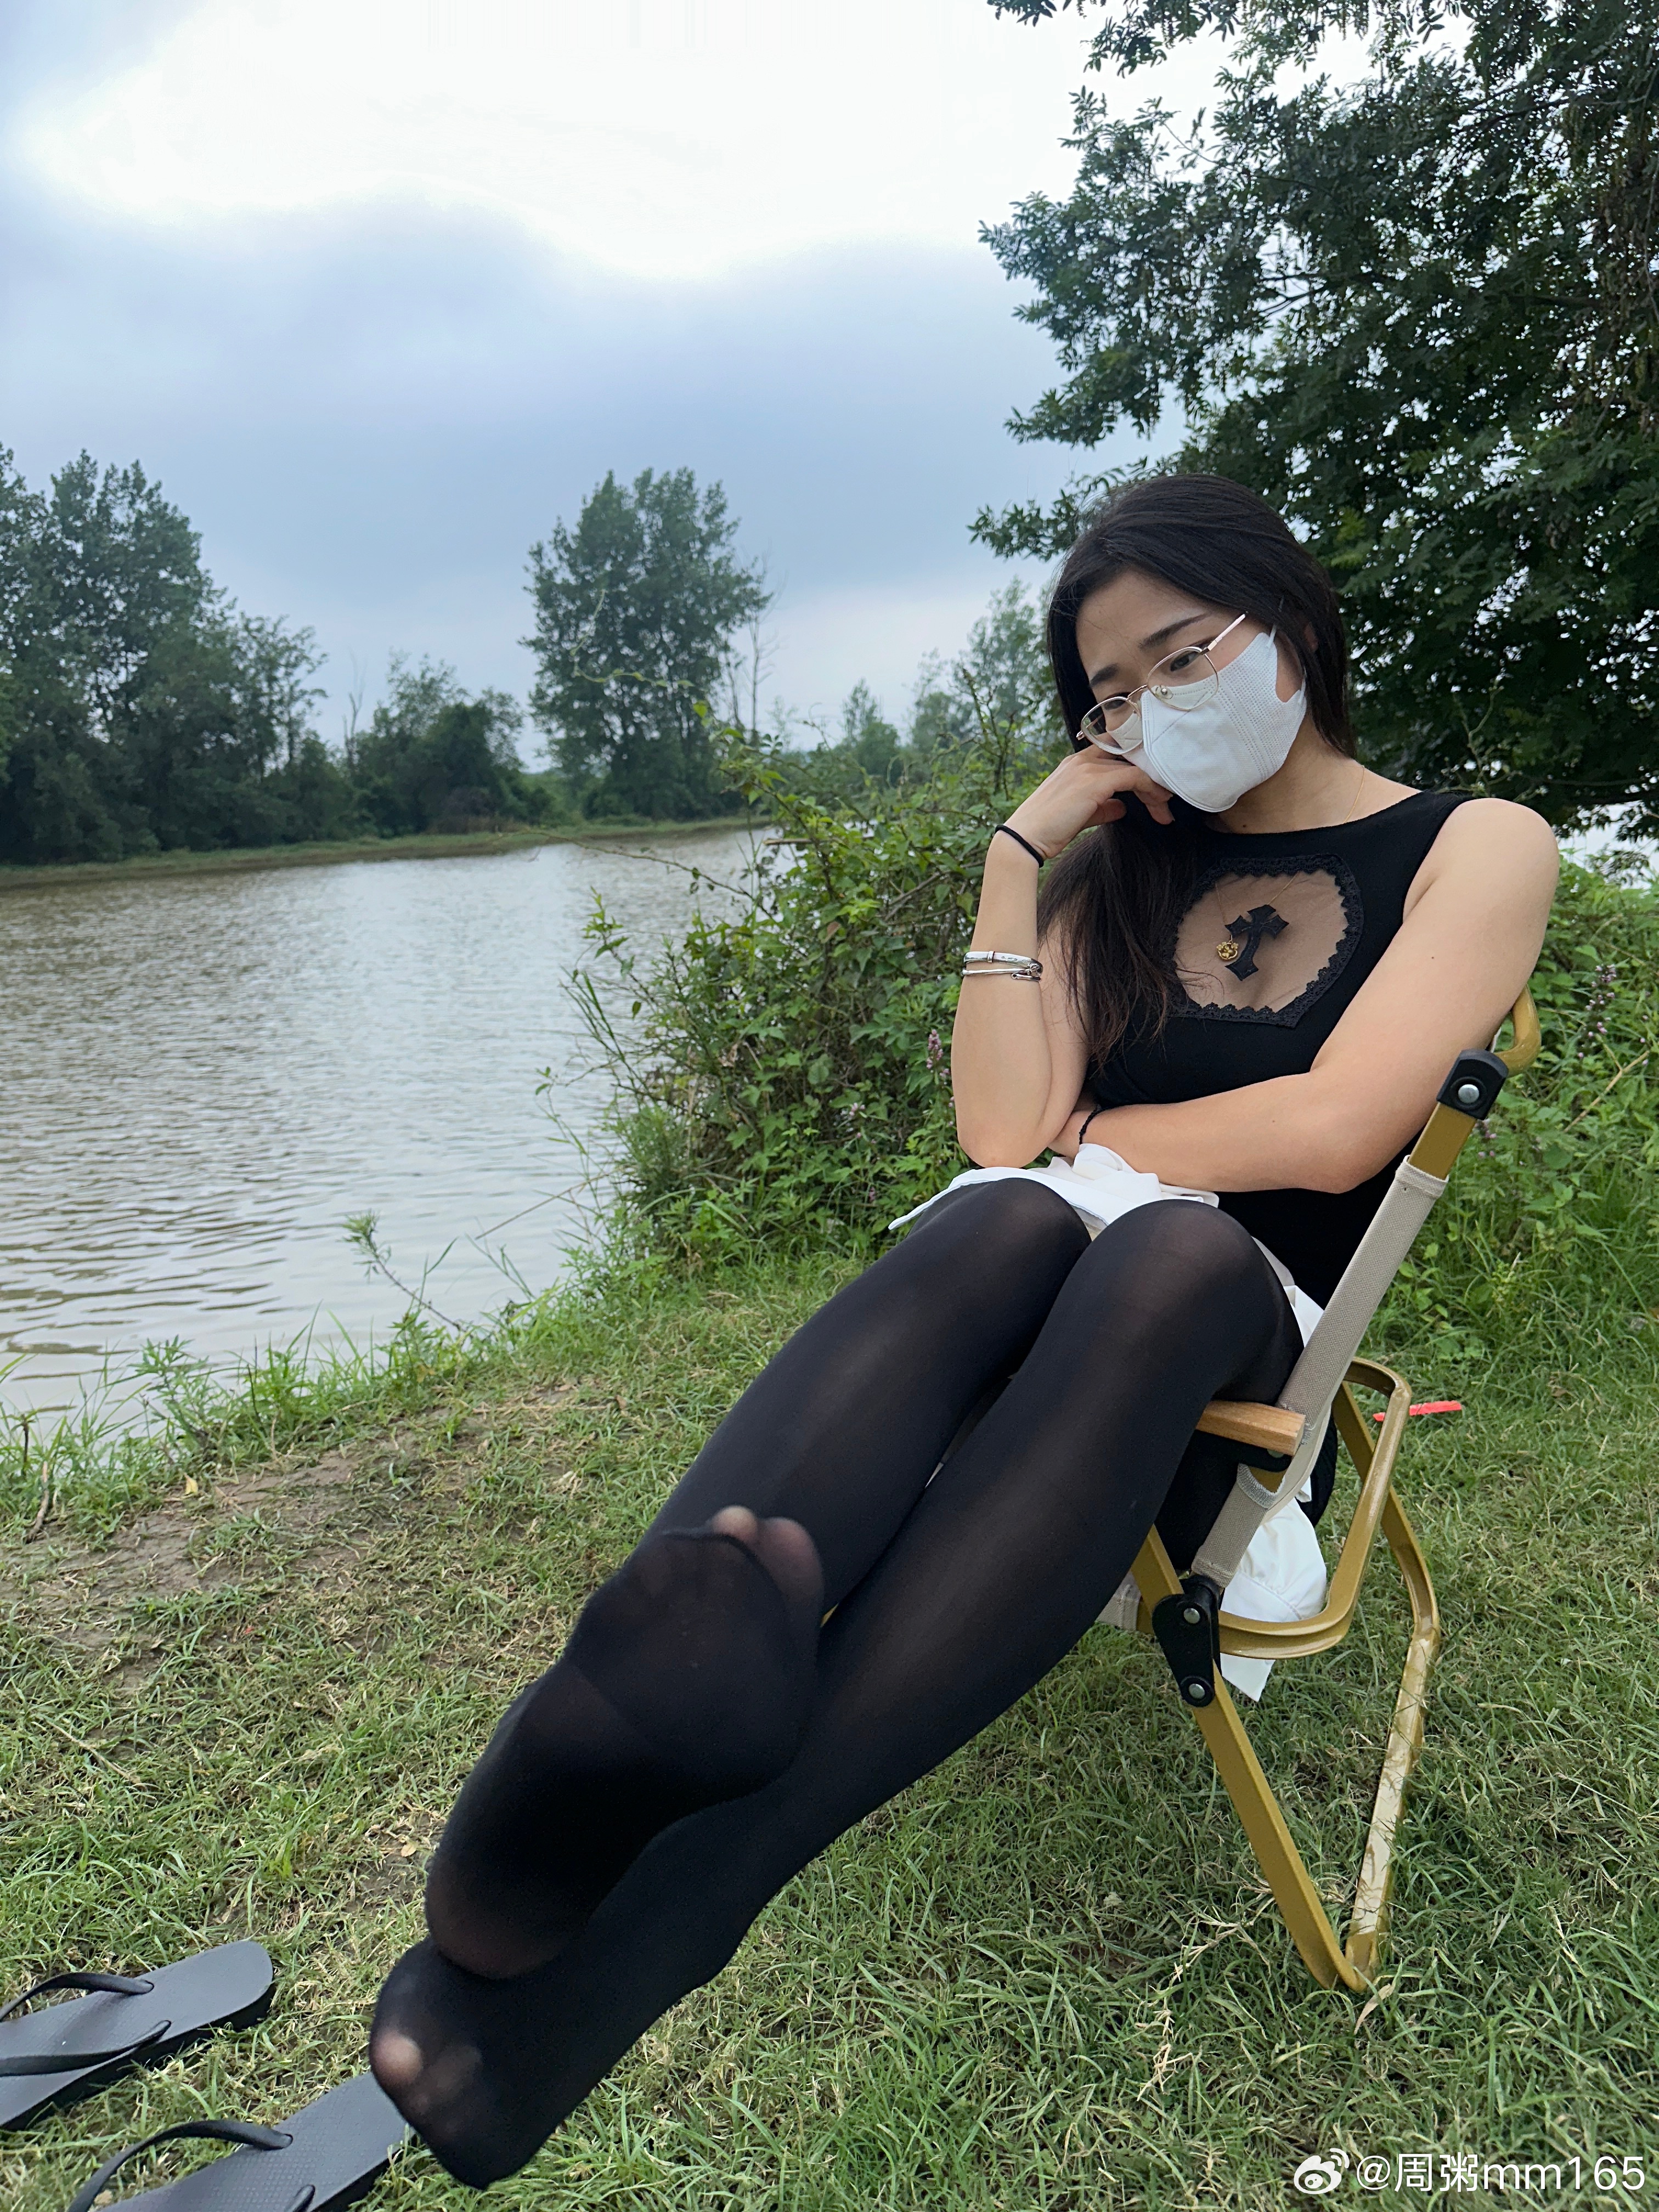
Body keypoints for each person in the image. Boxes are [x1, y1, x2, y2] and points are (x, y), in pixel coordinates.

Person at [368, 475, 1557, 2188]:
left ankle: (693, 1892)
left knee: (1163, 1255)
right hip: (1039, 1321)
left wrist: (1105, 1146)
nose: (1151, 709)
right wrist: (1020, 857)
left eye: (1181, 656)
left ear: (1291, 623)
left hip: (1233, 1346)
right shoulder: (1116, 879)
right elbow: (1004, 1139)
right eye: (1111, 693)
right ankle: (628, 1714)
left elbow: (1332, 1131)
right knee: (1003, 1217)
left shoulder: (1471, 844)